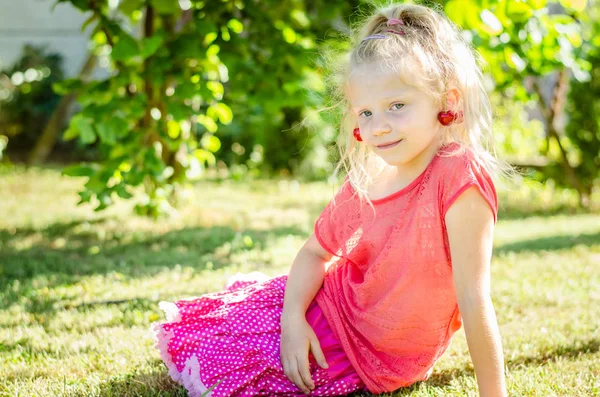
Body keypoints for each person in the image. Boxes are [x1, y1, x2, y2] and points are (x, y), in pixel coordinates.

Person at [150, 3, 510, 397]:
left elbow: (473, 298)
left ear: (446, 100)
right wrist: (293, 321)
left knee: (264, 372)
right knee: (228, 344)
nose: (379, 126)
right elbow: (313, 254)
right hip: (329, 308)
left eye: (397, 106)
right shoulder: (370, 179)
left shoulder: (459, 174)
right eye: (366, 113)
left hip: (377, 351)